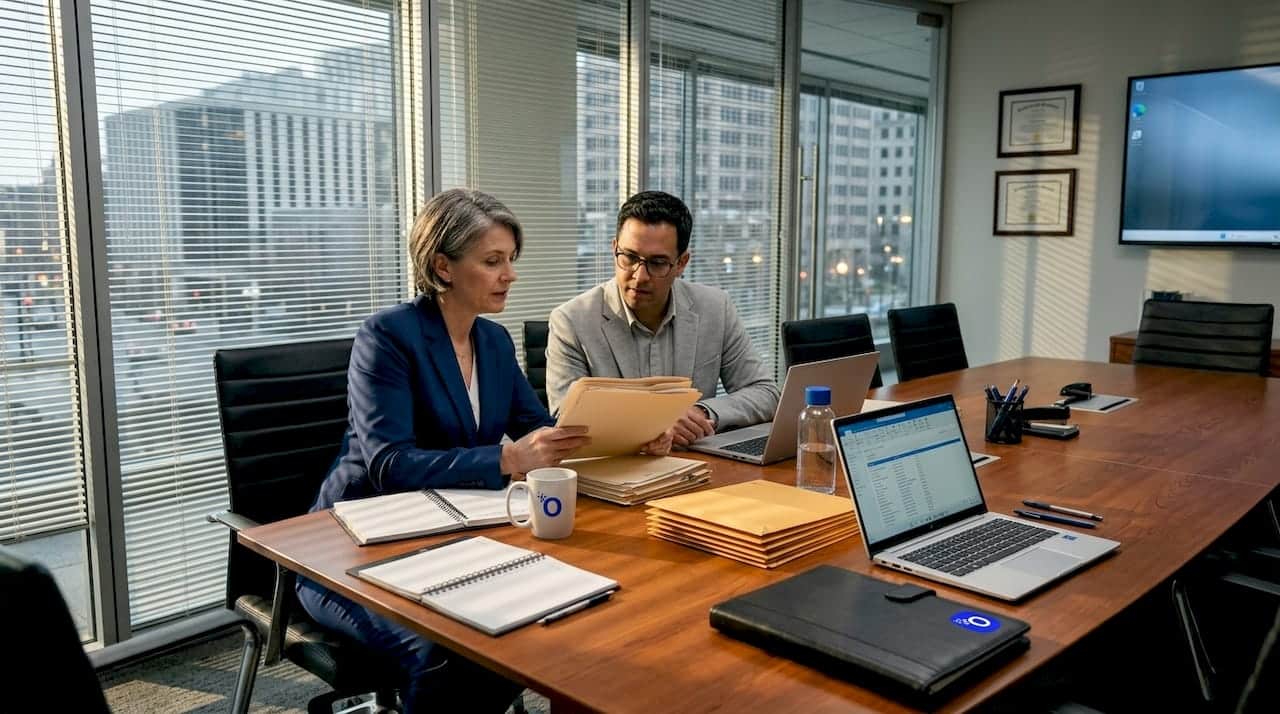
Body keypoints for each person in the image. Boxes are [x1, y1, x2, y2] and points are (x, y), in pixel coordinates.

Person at [298, 189, 669, 713]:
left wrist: (630, 435)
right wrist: (507, 460)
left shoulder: (492, 341)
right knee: (445, 653)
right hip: (348, 548)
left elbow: (539, 429)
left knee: (546, 620)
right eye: (492, 261)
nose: (509, 275)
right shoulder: (388, 336)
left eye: (510, 260)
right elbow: (388, 464)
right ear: (443, 266)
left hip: (454, 535)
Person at [545, 190, 779, 448]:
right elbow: (566, 419)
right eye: (630, 258)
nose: (640, 275)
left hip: (696, 467)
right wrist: (655, 424)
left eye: (657, 263)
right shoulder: (572, 321)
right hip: (616, 471)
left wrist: (701, 413)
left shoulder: (715, 308)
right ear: (614, 249)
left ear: (681, 263)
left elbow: (765, 393)